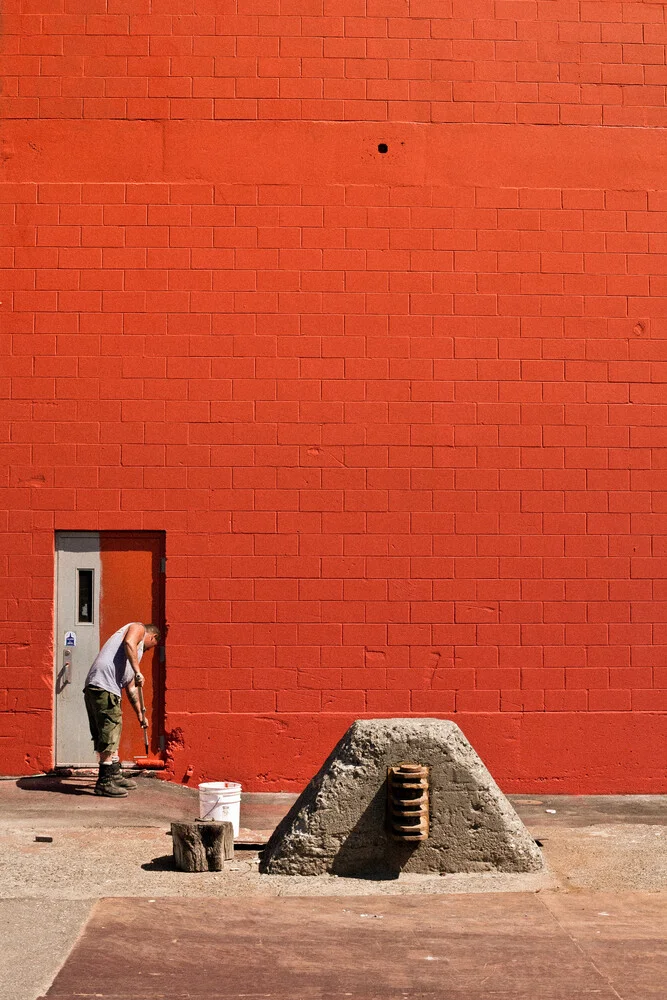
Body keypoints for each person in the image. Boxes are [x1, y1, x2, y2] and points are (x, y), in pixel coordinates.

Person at [83, 622, 161, 797]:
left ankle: (114, 774)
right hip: (103, 687)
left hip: (101, 688)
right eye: (150, 647)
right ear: (153, 637)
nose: (146, 651)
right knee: (108, 732)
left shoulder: (131, 658)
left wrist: (141, 715)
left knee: (113, 729)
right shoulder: (138, 628)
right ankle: (104, 782)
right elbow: (129, 643)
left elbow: (132, 689)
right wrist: (138, 670)